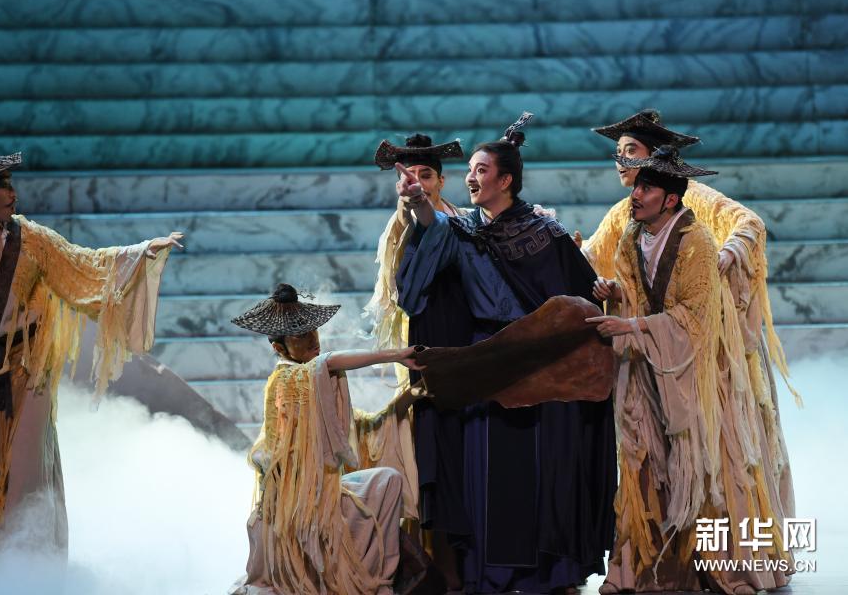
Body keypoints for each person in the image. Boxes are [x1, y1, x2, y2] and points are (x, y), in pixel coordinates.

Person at [397, 114, 615, 594]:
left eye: (481, 170)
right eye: (469, 170)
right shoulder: (461, 230)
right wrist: (419, 206)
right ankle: (489, 572)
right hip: (485, 360)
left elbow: (577, 298)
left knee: (541, 468)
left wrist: (600, 295)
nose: (471, 178)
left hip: (536, 361)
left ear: (505, 180)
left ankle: (545, 574)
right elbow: (432, 234)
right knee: (485, 468)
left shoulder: (545, 232)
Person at [0, 143, 183, 552]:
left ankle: (30, 565)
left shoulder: (30, 239)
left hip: (27, 370)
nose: (13, 194)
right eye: (4, 186)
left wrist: (139, 254)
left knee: (26, 472)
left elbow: (83, 264)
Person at [587, 147, 792, 594]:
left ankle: (723, 569)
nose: (635, 192)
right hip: (648, 366)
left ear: (670, 199)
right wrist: (613, 291)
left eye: (645, 186)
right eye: (637, 183)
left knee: (707, 468)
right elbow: (630, 288)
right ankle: (652, 569)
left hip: (694, 368)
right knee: (646, 466)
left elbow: (695, 315)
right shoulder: (631, 232)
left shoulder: (696, 239)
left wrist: (634, 325)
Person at [229, 283, 425, 595]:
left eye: (313, 331)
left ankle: (380, 579)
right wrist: (396, 355)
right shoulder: (286, 379)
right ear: (279, 348)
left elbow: (364, 428)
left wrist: (411, 395)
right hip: (297, 501)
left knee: (387, 481)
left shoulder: (316, 381)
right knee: (381, 482)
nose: (312, 339)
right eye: (300, 336)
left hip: (324, 491)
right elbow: (329, 362)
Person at [365, 133, 474, 589]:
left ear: (442, 180)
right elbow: (423, 225)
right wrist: (417, 207)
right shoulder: (400, 227)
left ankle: (472, 564)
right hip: (426, 347)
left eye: (426, 175)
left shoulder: (462, 219)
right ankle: (442, 565)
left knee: (467, 452)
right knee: (434, 454)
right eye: (408, 177)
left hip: (466, 344)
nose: (417, 183)